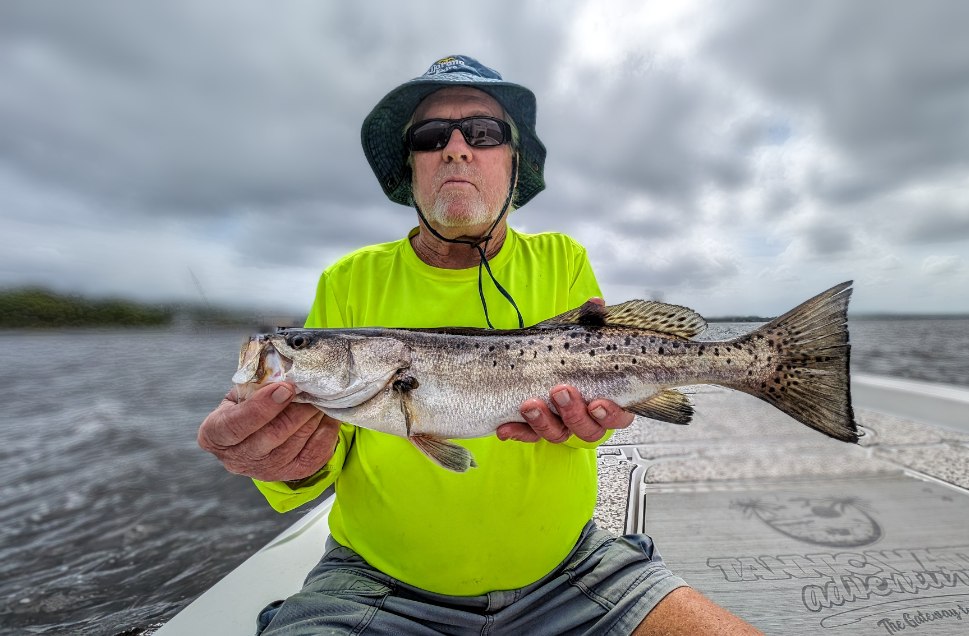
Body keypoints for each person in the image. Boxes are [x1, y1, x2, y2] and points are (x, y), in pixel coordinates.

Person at [198, 55, 761, 635]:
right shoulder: (347, 282)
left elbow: (586, 422)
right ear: (410, 167)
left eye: (484, 132)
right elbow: (321, 461)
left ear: (514, 163)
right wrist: (288, 464)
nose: (457, 148)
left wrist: (593, 422)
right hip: (376, 581)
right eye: (431, 135)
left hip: (572, 568)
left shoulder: (562, 260)